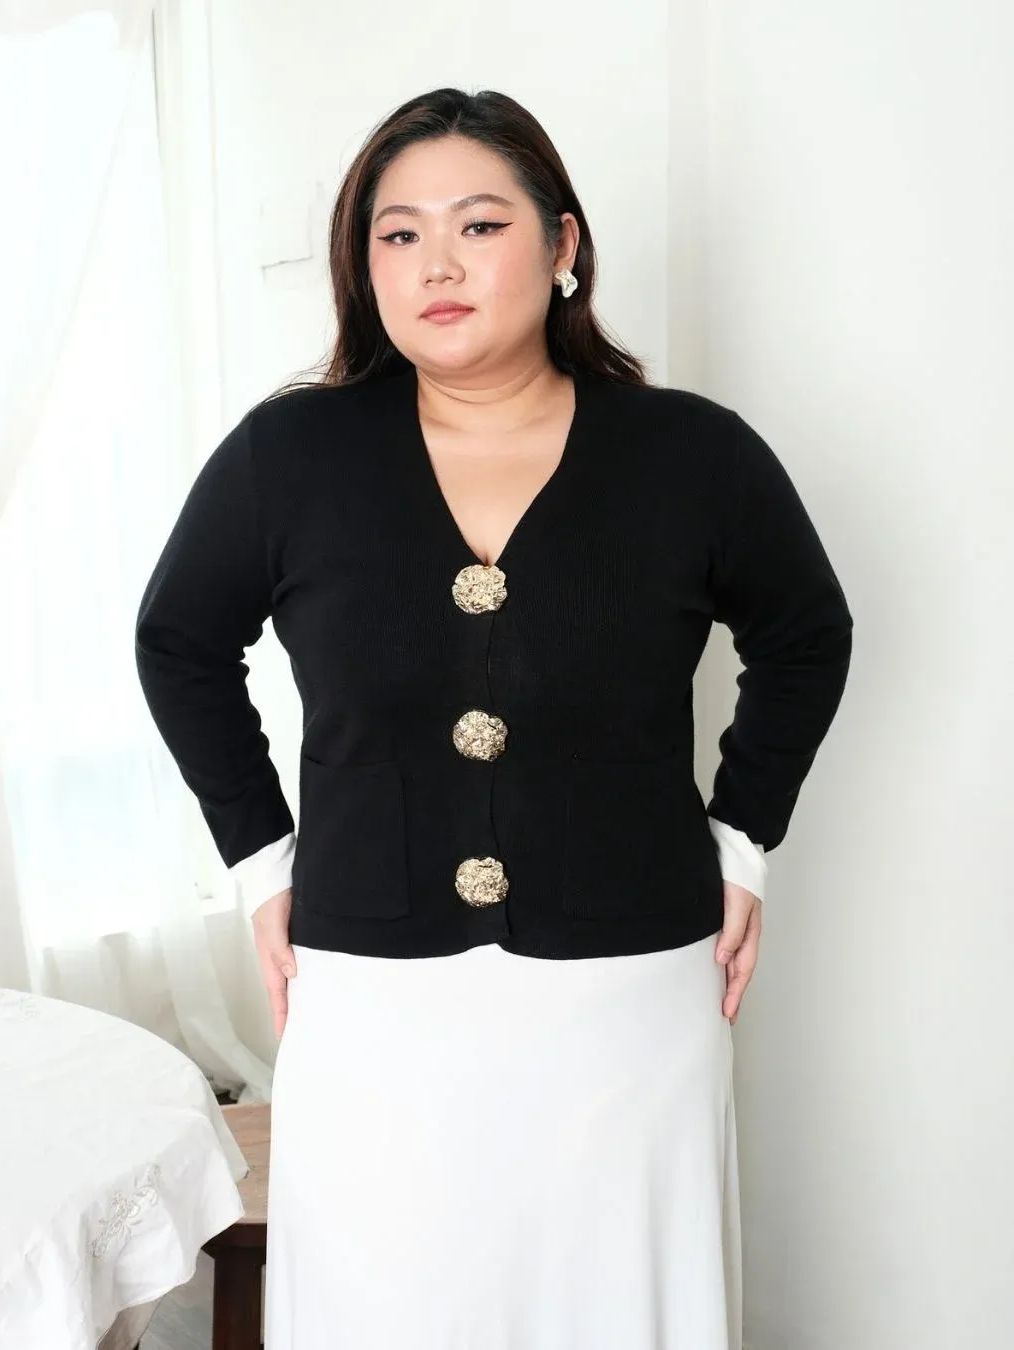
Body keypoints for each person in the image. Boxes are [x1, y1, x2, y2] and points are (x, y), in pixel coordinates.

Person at [134, 87, 853, 1350]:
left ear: (563, 244)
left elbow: (807, 634)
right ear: (364, 267)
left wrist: (743, 843)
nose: (437, 265)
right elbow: (179, 642)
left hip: (631, 985)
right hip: (372, 983)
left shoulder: (692, 455)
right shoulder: (290, 456)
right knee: (390, 1297)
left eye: (478, 224)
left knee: (612, 1299)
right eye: (397, 234)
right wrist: (263, 861)